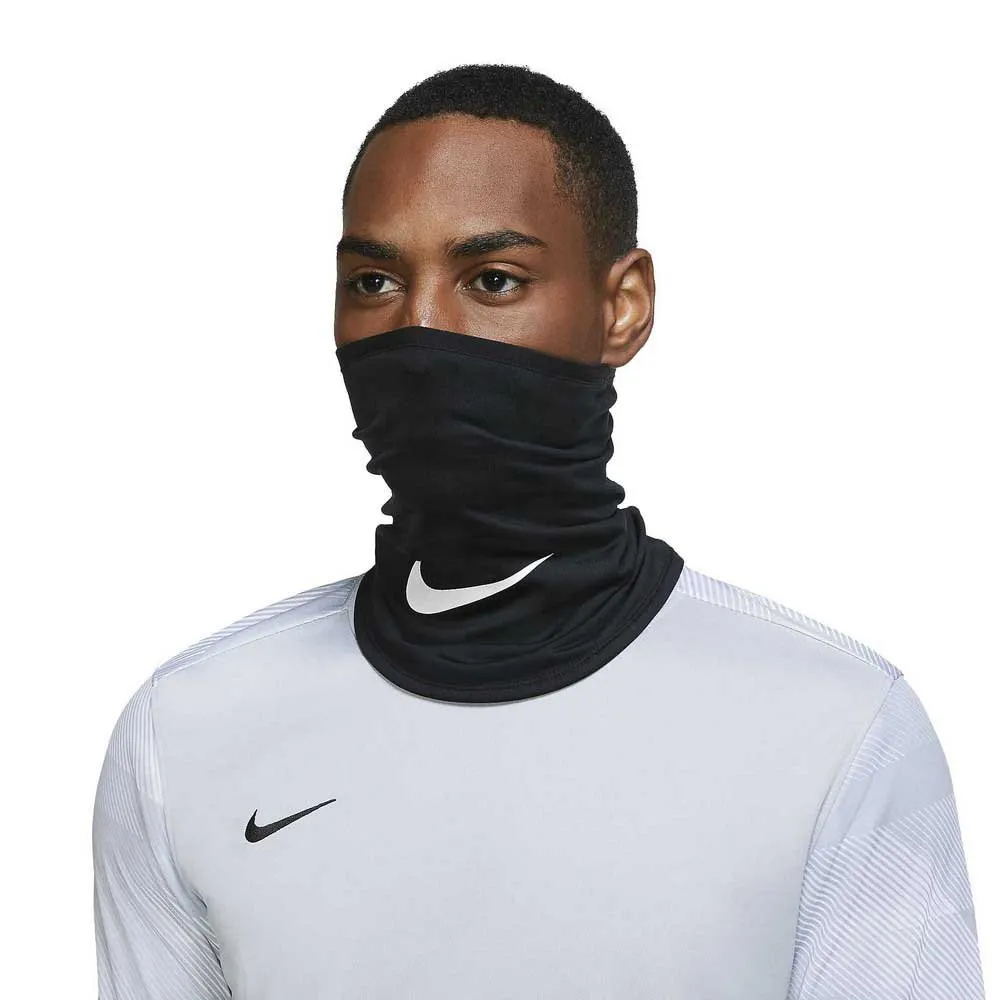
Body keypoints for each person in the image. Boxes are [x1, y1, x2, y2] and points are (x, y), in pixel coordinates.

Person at [92, 63, 986, 999]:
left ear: (622, 307)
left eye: (492, 279)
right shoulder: (189, 732)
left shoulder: (835, 726)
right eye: (374, 280)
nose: (420, 331)